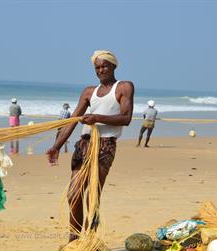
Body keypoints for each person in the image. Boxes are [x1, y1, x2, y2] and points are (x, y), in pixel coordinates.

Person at [46, 50, 134, 243]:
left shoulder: (124, 87)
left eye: (104, 66)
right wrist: (57, 146)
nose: (100, 70)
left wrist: (97, 118)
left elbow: (126, 118)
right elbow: (72, 121)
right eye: (97, 67)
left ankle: (91, 239)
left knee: (92, 196)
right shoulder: (88, 92)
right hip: (84, 145)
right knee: (74, 194)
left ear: (113, 66)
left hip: (105, 146)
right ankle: (74, 239)